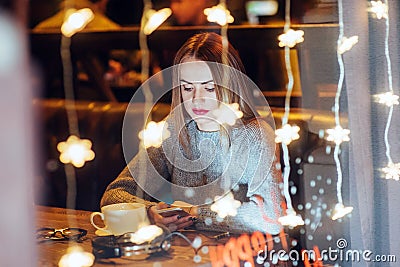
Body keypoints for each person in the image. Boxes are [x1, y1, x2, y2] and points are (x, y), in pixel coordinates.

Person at [101, 32, 284, 234]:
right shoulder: (174, 129)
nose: (196, 99)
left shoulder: (255, 136)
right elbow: (115, 194)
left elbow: (270, 218)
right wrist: (148, 212)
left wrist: (195, 213)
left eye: (209, 88)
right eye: (188, 88)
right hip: (182, 254)